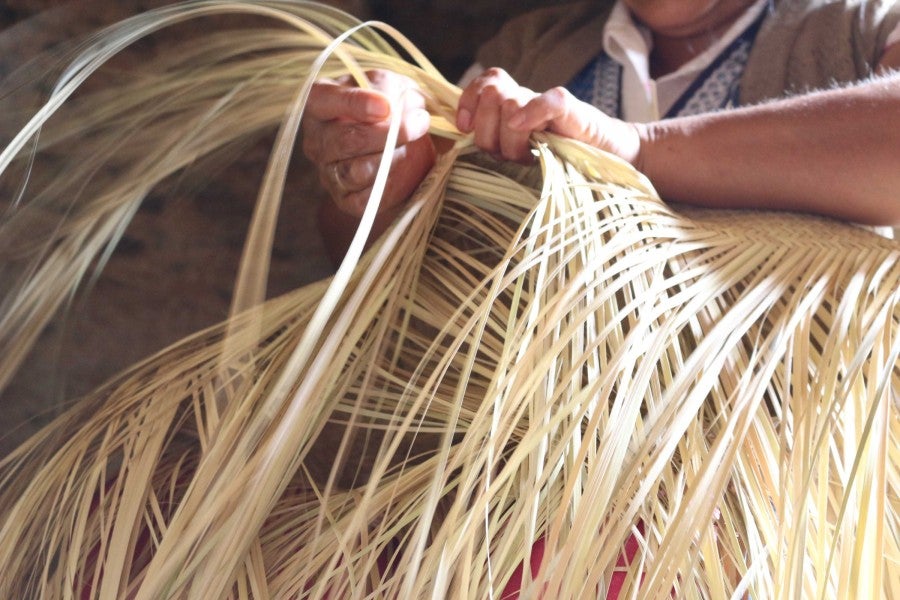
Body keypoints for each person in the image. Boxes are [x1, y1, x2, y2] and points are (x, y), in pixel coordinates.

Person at [301, 0, 900, 263]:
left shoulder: (861, 26)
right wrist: (382, 178)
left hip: (776, 496)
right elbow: (349, 253)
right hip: (536, 483)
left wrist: (635, 148)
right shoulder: (532, 49)